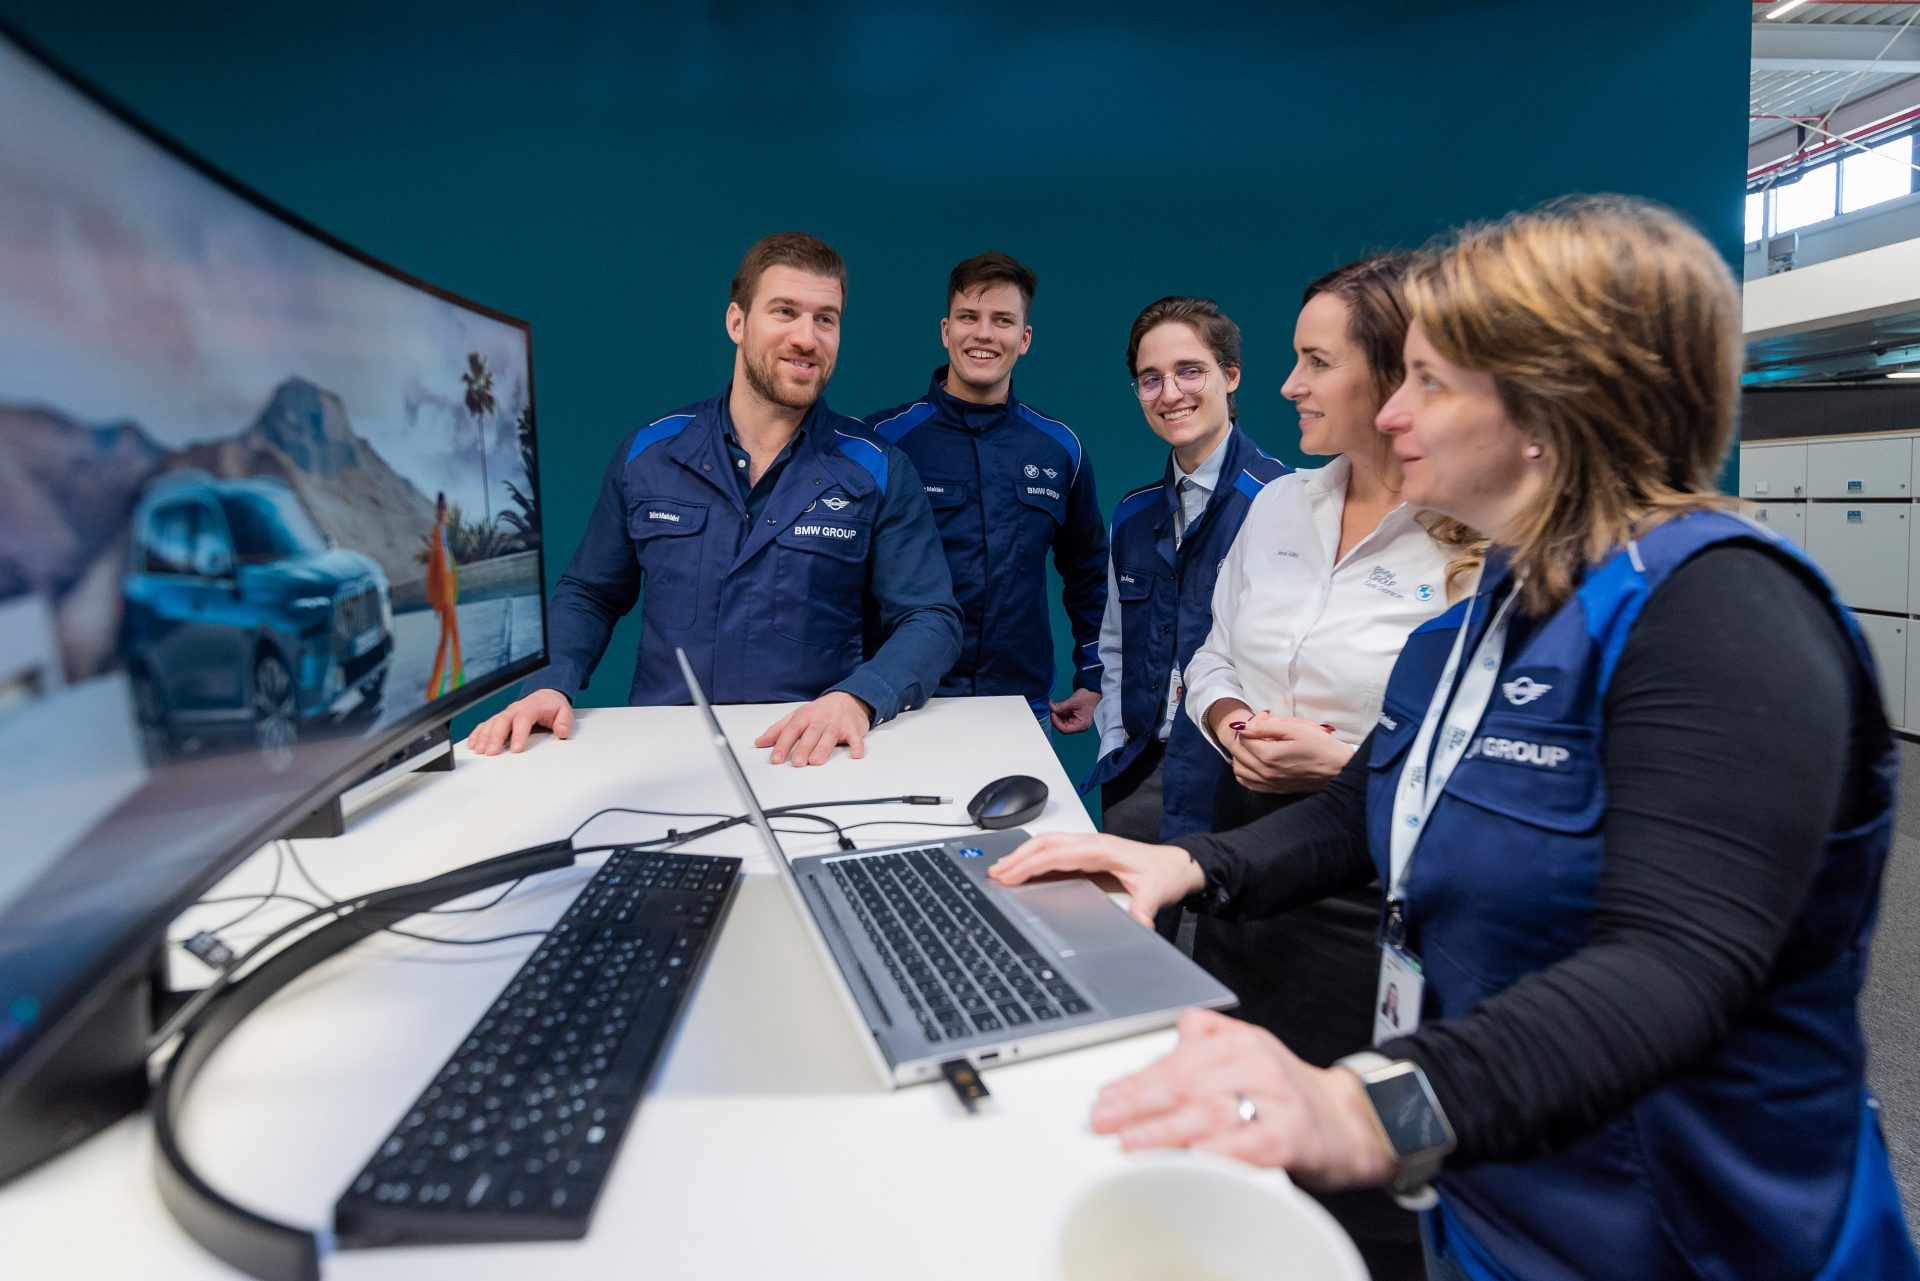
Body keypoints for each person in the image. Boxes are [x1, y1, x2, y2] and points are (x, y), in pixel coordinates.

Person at [991, 196, 1920, 1281]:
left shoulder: (1722, 615)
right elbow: (1374, 802)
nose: (1391, 415)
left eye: (1428, 383)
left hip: (1685, 1234)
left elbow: (1675, 965)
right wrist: (1188, 861)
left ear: (1551, 399)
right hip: (1503, 1196)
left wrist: (1363, 1101)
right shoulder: (1492, 606)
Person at [1169, 257, 1476, 1278]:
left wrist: (1338, 761)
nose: (1290, 385)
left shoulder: (1471, 547)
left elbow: (1465, 767)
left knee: (1362, 1177)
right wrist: (1229, 720)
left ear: (1390, 376)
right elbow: (1211, 648)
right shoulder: (1279, 506)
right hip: (1248, 847)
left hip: (1370, 900)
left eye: (1314, 362)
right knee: (1246, 1135)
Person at [469, 232, 961, 765]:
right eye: (784, 311)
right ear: (737, 322)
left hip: (811, 755)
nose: (807, 337)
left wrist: (857, 699)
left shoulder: (877, 469)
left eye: (826, 318)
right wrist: (549, 684)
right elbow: (590, 592)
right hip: (663, 753)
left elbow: (932, 618)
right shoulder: (650, 454)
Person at [866, 252, 1107, 732]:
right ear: (945, 330)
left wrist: (1096, 676)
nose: (983, 334)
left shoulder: (1059, 448)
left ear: (1025, 338)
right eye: (968, 317)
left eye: (1002, 320)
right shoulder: (882, 443)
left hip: (1021, 708)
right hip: (903, 705)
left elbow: (1090, 572)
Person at [1083, 296, 1288, 851]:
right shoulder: (1132, 515)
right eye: (1150, 379)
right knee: (1132, 933)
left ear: (1231, 375)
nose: (1170, 393)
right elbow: (1115, 646)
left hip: (1238, 784)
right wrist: (1114, 743)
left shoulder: (1286, 504)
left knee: (1217, 939)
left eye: (1189, 371)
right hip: (1138, 780)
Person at [424, 491, 464, 698]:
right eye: (442, 508)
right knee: (445, 640)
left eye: (445, 507)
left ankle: (458, 681)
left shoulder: (444, 533)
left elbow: (448, 567)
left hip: (450, 597)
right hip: (445, 599)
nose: (444, 511)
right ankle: (434, 690)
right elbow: (435, 569)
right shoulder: (438, 532)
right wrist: (437, 601)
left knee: (453, 638)